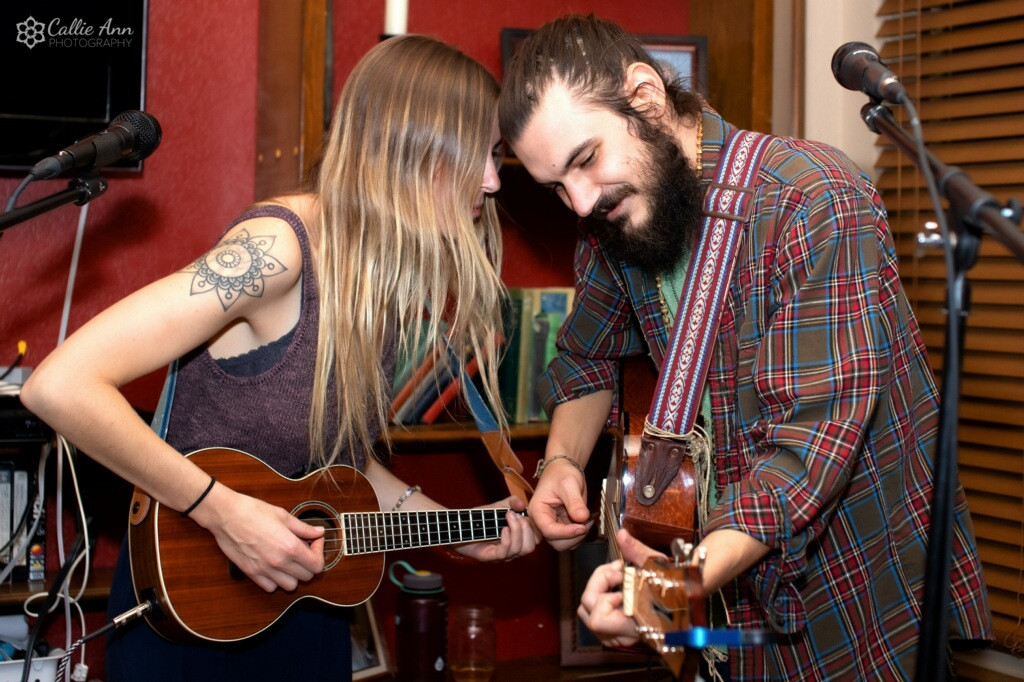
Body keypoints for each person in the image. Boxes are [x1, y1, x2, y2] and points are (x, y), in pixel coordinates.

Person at [21, 34, 537, 682]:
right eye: (478, 155)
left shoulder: (381, 281)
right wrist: (222, 511)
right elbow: (60, 384)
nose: (492, 181)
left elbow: (335, 468)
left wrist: (458, 529)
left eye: (495, 155)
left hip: (303, 606)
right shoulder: (276, 251)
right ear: (411, 146)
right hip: (193, 601)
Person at [498, 14, 991, 681]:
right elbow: (588, 358)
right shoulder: (615, 220)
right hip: (720, 590)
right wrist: (561, 460)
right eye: (557, 186)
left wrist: (679, 584)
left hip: (845, 586)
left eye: (585, 160)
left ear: (646, 97)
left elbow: (809, 445)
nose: (581, 203)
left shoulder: (812, 198)